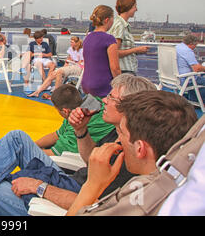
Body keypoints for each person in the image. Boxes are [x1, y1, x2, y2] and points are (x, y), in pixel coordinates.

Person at [0, 75, 153, 216]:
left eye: (111, 98)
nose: (104, 100)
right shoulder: (119, 133)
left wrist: (38, 186)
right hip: (70, 181)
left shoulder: (130, 157)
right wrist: (81, 131)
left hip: (61, 199)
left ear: (127, 107)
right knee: (16, 139)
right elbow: (89, 162)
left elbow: (92, 203)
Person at [66, 90, 198, 216]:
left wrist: (92, 185)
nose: (118, 139)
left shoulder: (138, 201)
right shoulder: (181, 193)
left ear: (140, 148)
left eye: (121, 133)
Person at [81, 5, 120, 98]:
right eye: (112, 19)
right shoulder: (109, 39)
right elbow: (115, 68)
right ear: (107, 20)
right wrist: (121, 85)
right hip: (102, 85)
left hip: (86, 84)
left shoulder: (88, 38)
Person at [108, 0, 149, 75]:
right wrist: (136, 50)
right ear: (128, 7)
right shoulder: (120, 25)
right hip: (124, 71)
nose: (136, 9)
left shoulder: (119, 23)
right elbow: (114, 53)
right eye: (134, 6)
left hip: (126, 70)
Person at [176, 34, 205, 102]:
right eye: (195, 45)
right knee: (198, 79)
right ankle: (201, 101)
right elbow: (196, 69)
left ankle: (195, 100)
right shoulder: (187, 51)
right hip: (185, 80)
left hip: (176, 78)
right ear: (191, 44)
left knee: (195, 77)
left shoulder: (177, 47)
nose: (195, 47)